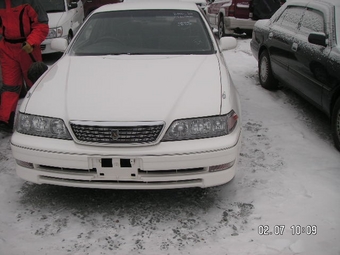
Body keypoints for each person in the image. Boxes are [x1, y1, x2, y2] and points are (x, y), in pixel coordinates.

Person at [0, 0, 49, 129]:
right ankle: (5, 120)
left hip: (27, 48)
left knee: (35, 84)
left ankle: (42, 116)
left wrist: (31, 42)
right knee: (9, 86)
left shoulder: (30, 2)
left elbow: (42, 24)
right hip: (7, 48)